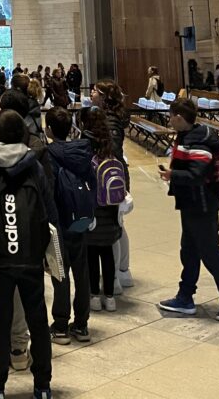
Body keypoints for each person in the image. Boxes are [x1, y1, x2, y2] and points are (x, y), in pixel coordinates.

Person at [0, 109, 56, 399]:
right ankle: (43, 386)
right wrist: (52, 255)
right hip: (31, 256)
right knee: (38, 322)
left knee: (0, 325)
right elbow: (49, 211)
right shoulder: (34, 166)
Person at [158, 97, 219, 321]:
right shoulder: (187, 136)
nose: (169, 120)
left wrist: (172, 175)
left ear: (179, 117)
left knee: (210, 253)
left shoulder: (199, 140)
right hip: (190, 204)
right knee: (189, 252)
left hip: (203, 206)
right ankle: (185, 297)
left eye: (171, 116)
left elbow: (196, 174)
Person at [45, 106, 95, 344]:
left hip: (59, 220)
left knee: (60, 273)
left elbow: (47, 190)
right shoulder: (82, 151)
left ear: (49, 129)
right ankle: (82, 324)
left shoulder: (49, 154)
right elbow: (93, 183)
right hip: (80, 219)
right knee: (82, 271)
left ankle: (61, 325)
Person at [90, 79, 132, 289]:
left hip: (111, 176)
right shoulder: (106, 116)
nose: (91, 93)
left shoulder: (110, 121)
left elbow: (112, 150)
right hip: (111, 174)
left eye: (95, 91)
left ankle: (117, 275)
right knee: (116, 223)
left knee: (114, 227)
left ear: (104, 97)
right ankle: (121, 271)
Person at [82, 107, 123, 311]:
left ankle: (94, 296)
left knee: (91, 252)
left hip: (93, 203)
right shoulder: (111, 143)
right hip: (110, 204)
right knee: (107, 252)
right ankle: (110, 296)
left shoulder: (85, 142)